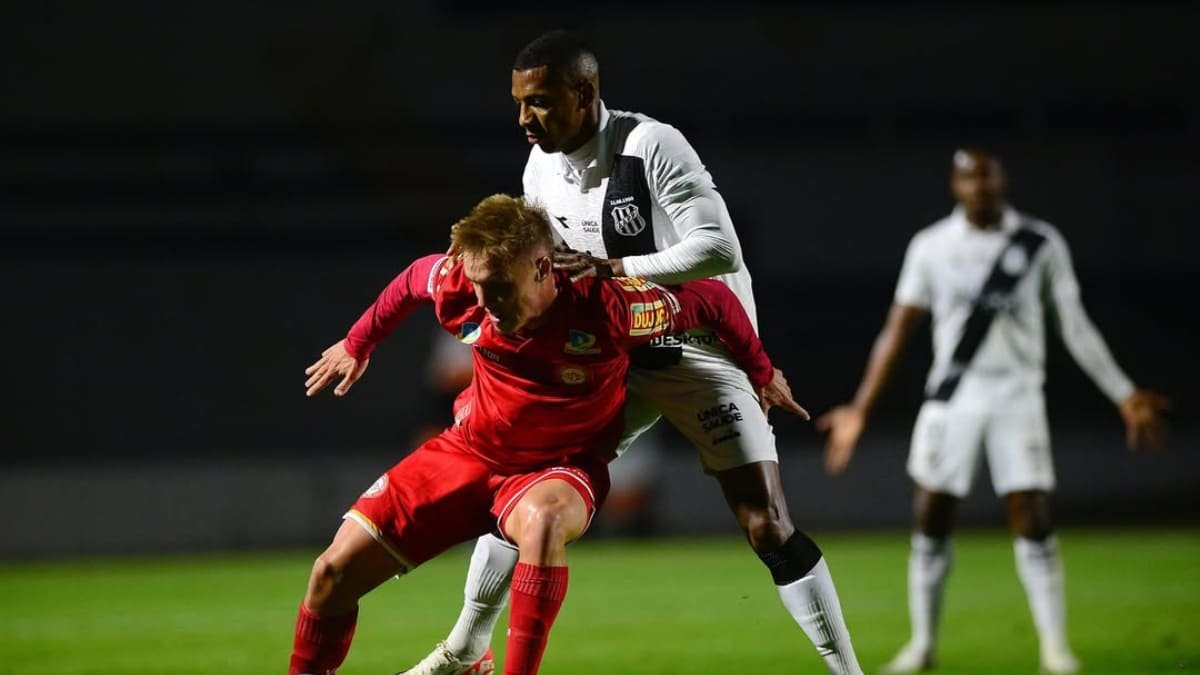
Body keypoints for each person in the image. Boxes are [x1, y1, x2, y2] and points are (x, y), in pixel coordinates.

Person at [402, 30, 863, 675]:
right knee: (522, 484)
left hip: (701, 348)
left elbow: (717, 252)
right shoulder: (540, 170)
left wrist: (614, 267)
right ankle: (465, 647)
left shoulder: (650, 147)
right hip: (613, 356)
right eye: (518, 103)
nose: (523, 118)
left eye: (538, 102)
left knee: (766, 525)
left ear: (585, 93)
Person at [289, 193, 799, 675]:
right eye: (479, 286)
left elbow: (711, 299)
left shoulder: (608, 307)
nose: (487, 302)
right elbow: (411, 280)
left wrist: (761, 371)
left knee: (546, 521)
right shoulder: (462, 283)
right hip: (468, 450)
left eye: (500, 288)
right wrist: (359, 344)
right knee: (330, 574)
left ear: (540, 268)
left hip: (557, 468)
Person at [816, 148, 1170, 674]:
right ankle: (923, 646)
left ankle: (1054, 649)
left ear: (1003, 180)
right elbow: (899, 329)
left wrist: (1122, 391)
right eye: (968, 177)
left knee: (1031, 513)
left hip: (1017, 394)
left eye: (987, 175)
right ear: (954, 185)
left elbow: (1074, 324)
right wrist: (861, 408)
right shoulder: (931, 246)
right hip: (953, 398)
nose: (979, 185)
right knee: (931, 514)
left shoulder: (1040, 243)